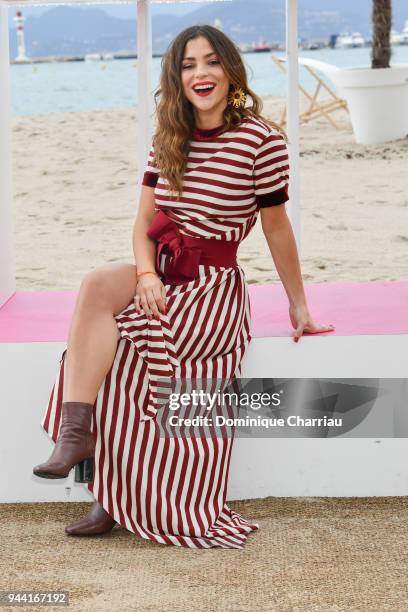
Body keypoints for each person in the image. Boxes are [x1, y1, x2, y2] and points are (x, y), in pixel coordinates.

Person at [33, 25, 334, 549]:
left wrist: (298, 303)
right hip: (163, 274)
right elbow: (143, 220)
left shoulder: (261, 140)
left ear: (230, 71)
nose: (200, 73)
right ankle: (76, 438)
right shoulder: (169, 137)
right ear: (177, 77)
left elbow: (276, 227)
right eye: (189, 64)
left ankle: (110, 495)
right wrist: (146, 274)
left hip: (212, 288)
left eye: (211, 62)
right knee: (95, 287)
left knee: (126, 357)